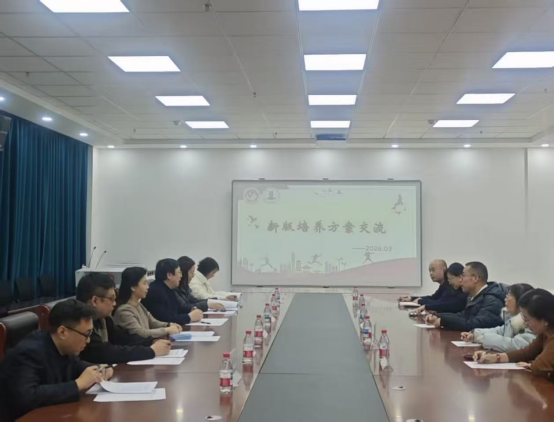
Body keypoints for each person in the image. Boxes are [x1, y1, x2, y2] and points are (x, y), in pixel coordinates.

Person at [0, 299, 114, 421]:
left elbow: (76, 365)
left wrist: (99, 369)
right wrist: (78, 384)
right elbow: (28, 397)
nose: (88, 340)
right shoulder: (29, 353)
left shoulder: (63, 347)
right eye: (86, 334)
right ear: (62, 332)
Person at [76, 272, 171, 363]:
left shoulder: (104, 319)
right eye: (111, 299)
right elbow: (106, 352)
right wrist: (150, 351)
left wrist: (152, 341)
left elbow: (124, 338)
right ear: (95, 300)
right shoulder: (80, 324)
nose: (114, 303)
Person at [474, 289, 554, 382]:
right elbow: (526, 353)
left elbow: (539, 367)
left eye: (527, 319)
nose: (525, 323)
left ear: (545, 320)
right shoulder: (544, 333)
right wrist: (495, 357)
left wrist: (532, 365)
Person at [425, 262, 506, 330]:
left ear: (475, 278)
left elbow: (474, 325)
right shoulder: (474, 297)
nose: (461, 280)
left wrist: (443, 321)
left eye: (463, 276)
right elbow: (463, 315)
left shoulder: (492, 300)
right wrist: (438, 316)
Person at [461, 283, 535, 352]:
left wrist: (484, 338)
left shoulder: (529, 323)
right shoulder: (512, 319)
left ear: (520, 301)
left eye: (508, 296)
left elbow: (514, 345)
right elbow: (500, 331)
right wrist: (475, 334)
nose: (505, 299)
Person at [114, 267, 183, 338]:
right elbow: (139, 333)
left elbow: (152, 323)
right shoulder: (124, 311)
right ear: (133, 287)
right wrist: (166, 330)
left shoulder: (139, 305)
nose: (148, 287)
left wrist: (169, 325)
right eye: (144, 283)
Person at [142, 259, 204, 326]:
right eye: (179, 272)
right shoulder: (156, 292)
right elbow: (165, 319)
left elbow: (178, 309)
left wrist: (190, 310)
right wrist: (189, 317)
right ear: (169, 275)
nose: (181, 276)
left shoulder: (168, 288)